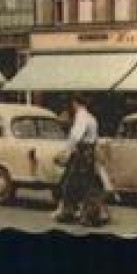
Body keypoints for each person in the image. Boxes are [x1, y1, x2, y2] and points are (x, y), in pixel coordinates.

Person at [55, 94, 110, 226]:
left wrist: (65, 151)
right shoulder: (91, 117)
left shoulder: (81, 117)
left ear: (75, 103)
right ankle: (91, 215)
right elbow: (94, 139)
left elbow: (75, 136)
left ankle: (72, 213)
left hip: (82, 154)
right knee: (87, 185)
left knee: (71, 184)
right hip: (89, 153)